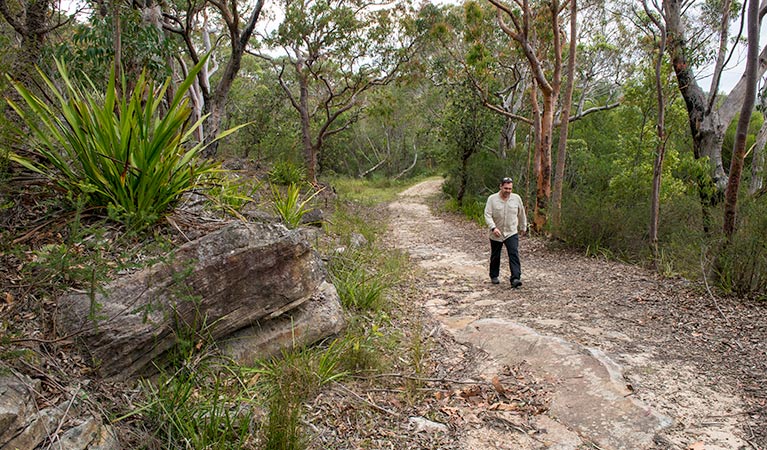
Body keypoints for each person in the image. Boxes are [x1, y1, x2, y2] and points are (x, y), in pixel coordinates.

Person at [484, 176, 527, 288]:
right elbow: (487, 214)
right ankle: (494, 275)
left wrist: (523, 226)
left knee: (513, 253)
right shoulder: (492, 199)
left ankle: (515, 278)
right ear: (501, 187)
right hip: (496, 233)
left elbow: (521, 213)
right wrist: (493, 227)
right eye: (506, 188)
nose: (508, 191)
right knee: (495, 255)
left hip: (511, 231)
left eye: (510, 189)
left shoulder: (516, 198)